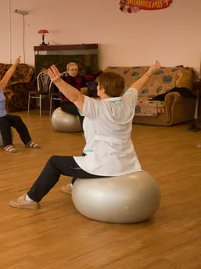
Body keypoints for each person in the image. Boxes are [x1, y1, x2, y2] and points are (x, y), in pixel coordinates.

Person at [9, 60, 161, 210]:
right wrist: (150, 72)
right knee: (87, 149)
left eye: (98, 86)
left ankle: (30, 199)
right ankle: (73, 185)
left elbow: (76, 97)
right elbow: (135, 87)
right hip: (126, 163)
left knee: (54, 162)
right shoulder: (127, 103)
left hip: (105, 166)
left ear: (102, 90)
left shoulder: (98, 107)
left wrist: (57, 81)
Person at [45, 62, 104, 129]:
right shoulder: (64, 79)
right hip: (67, 103)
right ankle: (85, 130)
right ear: (67, 71)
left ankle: (93, 128)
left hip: (77, 102)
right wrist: (50, 74)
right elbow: (57, 79)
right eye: (72, 70)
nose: (74, 71)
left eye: (76, 69)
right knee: (82, 111)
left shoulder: (80, 79)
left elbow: (92, 76)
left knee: (86, 109)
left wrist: (102, 71)